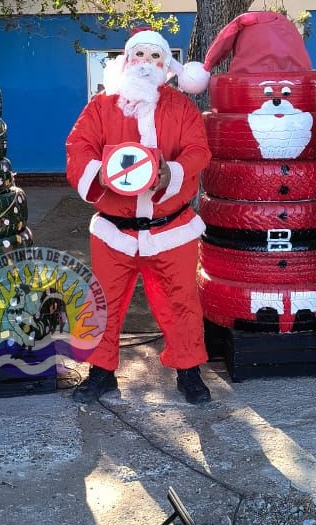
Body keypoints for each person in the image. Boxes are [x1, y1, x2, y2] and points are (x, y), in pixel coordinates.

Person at [66, 29, 213, 403]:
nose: (146, 64)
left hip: (171, 228)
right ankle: (100, 373)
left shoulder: (182, 107)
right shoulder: (102, 105)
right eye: (140, 55)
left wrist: (172, 172)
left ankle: (189, 371)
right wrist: (98, 171)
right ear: (126, 60)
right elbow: (78, 146)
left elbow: (198, 150)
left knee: (182, 301)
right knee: (102, 301)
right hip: (115, 230)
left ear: (167, 65)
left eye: (155, 57)